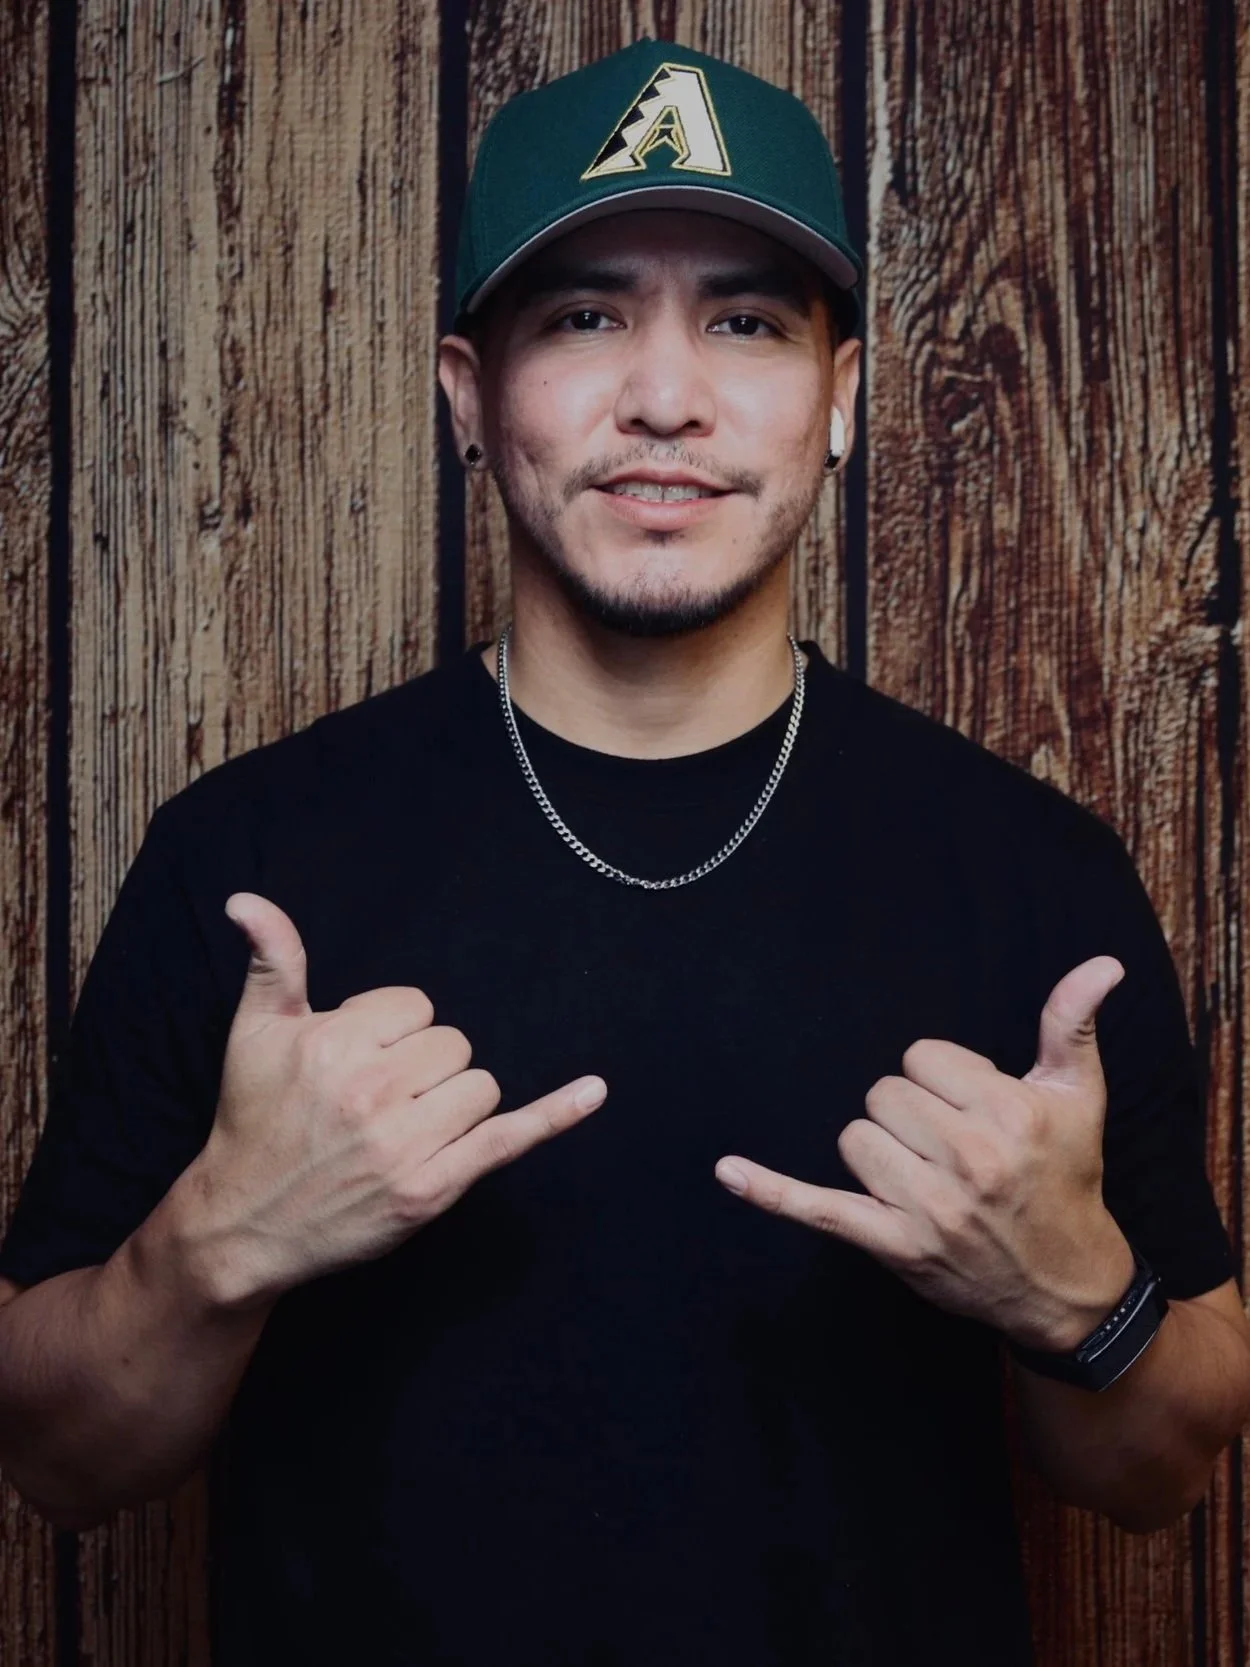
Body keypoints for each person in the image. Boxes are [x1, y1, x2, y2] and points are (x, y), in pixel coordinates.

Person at [0, 35, 1246, 1667]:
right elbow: (59, 1459)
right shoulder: (248, 860)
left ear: (843, 395)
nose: (665, 395)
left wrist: (1081, 1297)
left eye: (744, 319)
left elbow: (1156, 1476)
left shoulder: (1033, 879)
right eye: (585, 316)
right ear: (469, 393)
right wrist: (217, 1243)